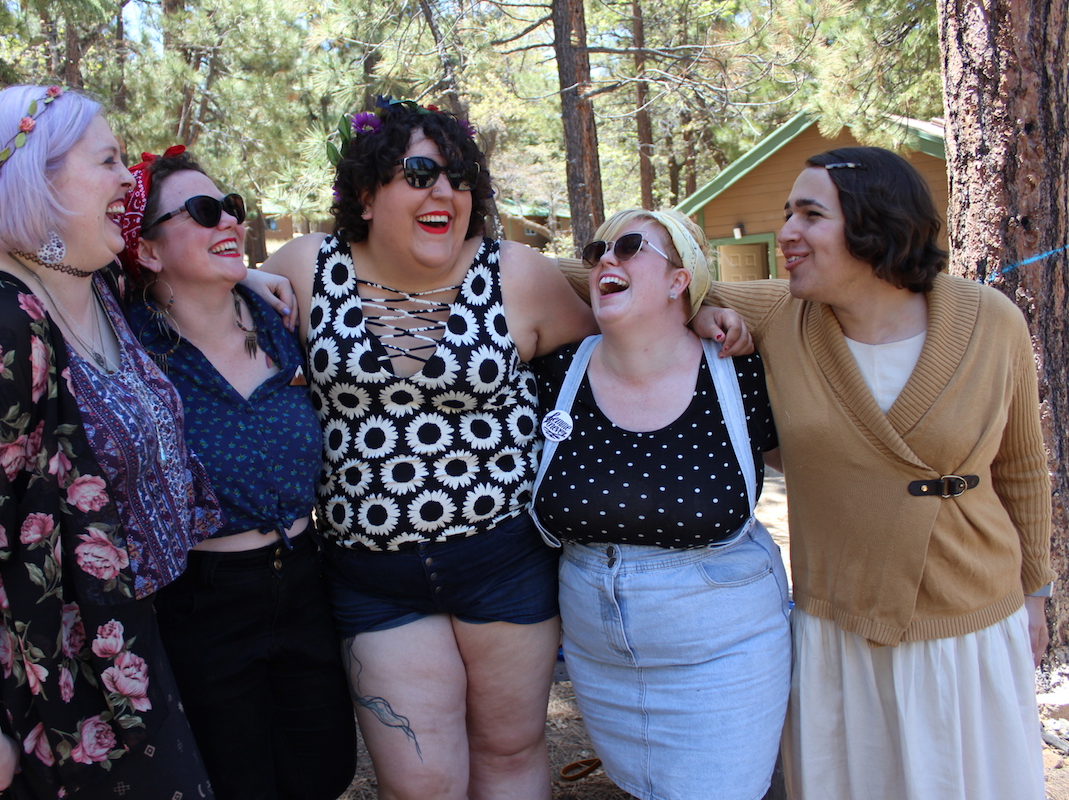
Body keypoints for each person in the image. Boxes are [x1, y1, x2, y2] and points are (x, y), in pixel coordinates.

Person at [260, 97, 596, 800]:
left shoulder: (520, 275)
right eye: (418, 173)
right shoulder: (301, 270)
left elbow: (615, 351)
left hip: (505, 563)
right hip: (371, 580)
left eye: (459, 175)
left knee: (509, 751)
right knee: (421, 784)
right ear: (364, 191)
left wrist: (710, 309)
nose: (444, 191)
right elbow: (208, 315)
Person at [705, 146, 1054, 800]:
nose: (786, 233)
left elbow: (1023, 467)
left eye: (810, 215)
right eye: (786, 213)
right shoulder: (783, 315)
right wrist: (694, 307)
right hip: (842, 627)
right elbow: (632, 279)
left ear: (875, 224)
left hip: (971, 625)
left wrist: (1037, 589)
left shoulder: (990, 321)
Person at [0, 85, 223, 799]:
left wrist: (255, 276)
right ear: (38, 180)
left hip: (140, 634)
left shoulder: (93, 279)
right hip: (62, 678)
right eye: (108, 160)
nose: (127, 179)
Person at [117, 146, 356, 800]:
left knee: (325, 769)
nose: (228, 219)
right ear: (148, 250)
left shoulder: (281, 323)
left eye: (232, 207)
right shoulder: (126, 344)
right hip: (203, 599)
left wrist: (245, 276)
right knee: (236, 781)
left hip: (305, 577)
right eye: (202, 211)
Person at [529, 208, 790, 800]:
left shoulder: (735, 368)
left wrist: (711, 304)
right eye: (596, 251)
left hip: (724, 644)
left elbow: (814, 304)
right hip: (598, 649)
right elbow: (513, 273)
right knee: (641, 787)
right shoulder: (556, 368)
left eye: (628, 246)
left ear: (681, 280)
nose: (605, 262)